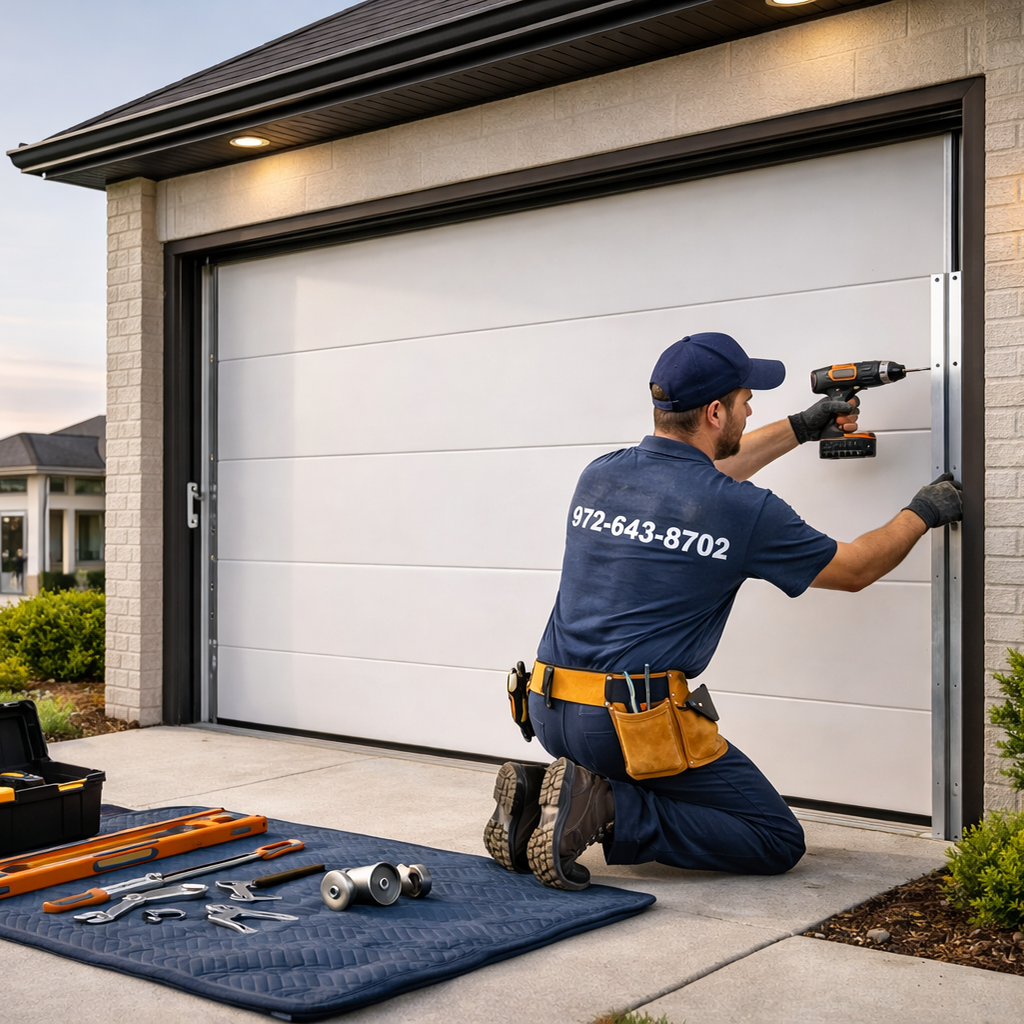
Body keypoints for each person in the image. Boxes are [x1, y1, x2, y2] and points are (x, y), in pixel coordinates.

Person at [483, 332, 963, 890]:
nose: (751, 409)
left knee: (665, 784)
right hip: (628, 726)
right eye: (744, 400)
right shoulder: (741, 511)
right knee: (773, 836)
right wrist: (923, 510)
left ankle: (535, 807)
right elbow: (856, 568)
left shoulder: (601, 474)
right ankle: (605, 805)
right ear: (715, 412)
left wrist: (803, 426)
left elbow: (703, 482)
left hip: (548, 709)